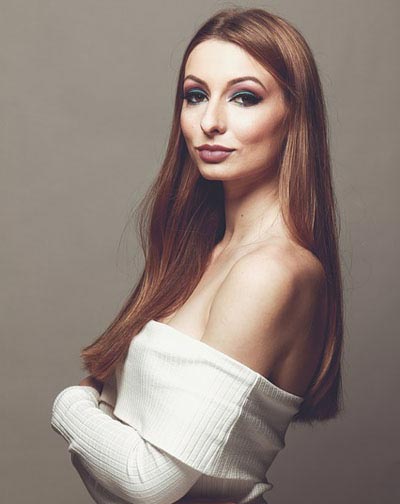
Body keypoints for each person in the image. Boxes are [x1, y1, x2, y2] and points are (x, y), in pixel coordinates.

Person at [51, 6, 344, 504]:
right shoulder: (201, 257)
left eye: (244, 97)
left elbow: (149, 482)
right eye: (196, 95)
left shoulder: (271, 271)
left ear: (295, 115)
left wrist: (68, 405)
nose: (210, 121)